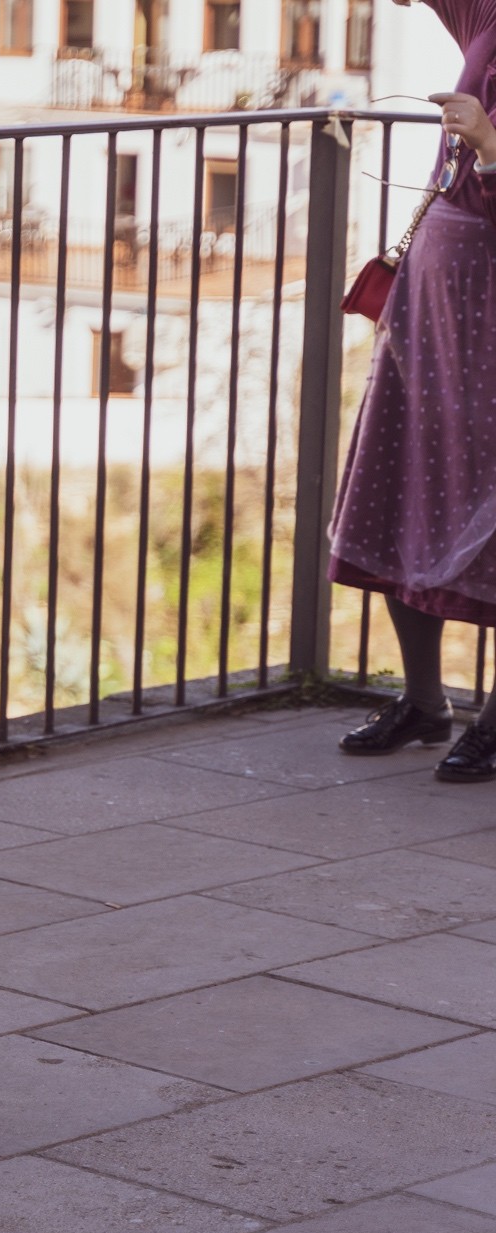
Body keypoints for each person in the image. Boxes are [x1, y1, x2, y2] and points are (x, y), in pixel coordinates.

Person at [329, 0, 496, 781]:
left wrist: (490, 144)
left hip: (488, 314)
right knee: (399, 488)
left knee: (489, 508)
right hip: (433, 303)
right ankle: (425, 702)